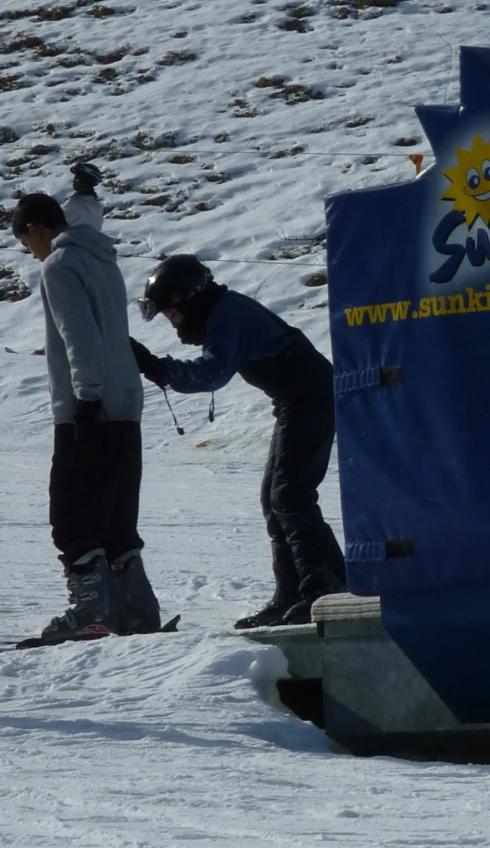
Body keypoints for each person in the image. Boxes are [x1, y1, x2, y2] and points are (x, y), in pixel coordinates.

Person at [132, 256, 344, 628]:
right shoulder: (221, 309)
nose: (174, 324)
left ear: (190, 299)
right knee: (275, 498)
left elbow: (212, 373)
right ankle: (292, 595)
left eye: (173, 314)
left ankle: (324, 591)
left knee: (289, 496)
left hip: (311, 399)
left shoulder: (228, 314)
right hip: (299, 400)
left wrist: (155, 366)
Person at [12, 191, 163, 645]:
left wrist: (85, 400)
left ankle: (93, 610)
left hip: (91, 406)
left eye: (26, 243)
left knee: (73, 515)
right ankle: (135, 608)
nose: (31, 253)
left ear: (36, 230)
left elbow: (79, 337)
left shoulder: (58, 266)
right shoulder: (104, 260)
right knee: (115, 516)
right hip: (126, 405)